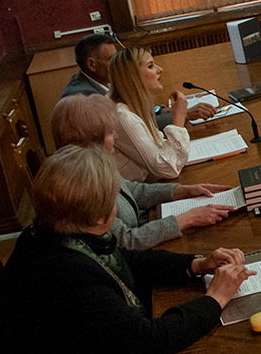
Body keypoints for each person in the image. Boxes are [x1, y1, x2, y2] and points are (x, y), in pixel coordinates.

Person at [0, 145, 255, 354]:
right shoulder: (69, 275)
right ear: (100, 217)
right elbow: (146, 342)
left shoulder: (50, 233)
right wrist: (214, 299)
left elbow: (126, 259)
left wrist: (195, 264)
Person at [52, 94, 232, 250]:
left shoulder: (96, 165)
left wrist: (182, 191)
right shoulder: (84, 186)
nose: (116, 136)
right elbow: (127, 241)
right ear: (91, 141)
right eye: (109, 132)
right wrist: (186, 219)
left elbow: (133, 191)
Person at [61, 34, 214, 126]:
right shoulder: (83, 98)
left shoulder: (104, 78)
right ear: (91, 64)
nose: (118, 64)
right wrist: (182, 115)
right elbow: (131, 127)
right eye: (112, 59)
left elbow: (135, 110)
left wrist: (159, 110)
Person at [108, 47, 191, 183]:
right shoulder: (124, 117)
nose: (160, 69)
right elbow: (167, 169)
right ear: (132, 75)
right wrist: (179, 118)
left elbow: (159, 146)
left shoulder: (135, 107)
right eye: (151, 66)